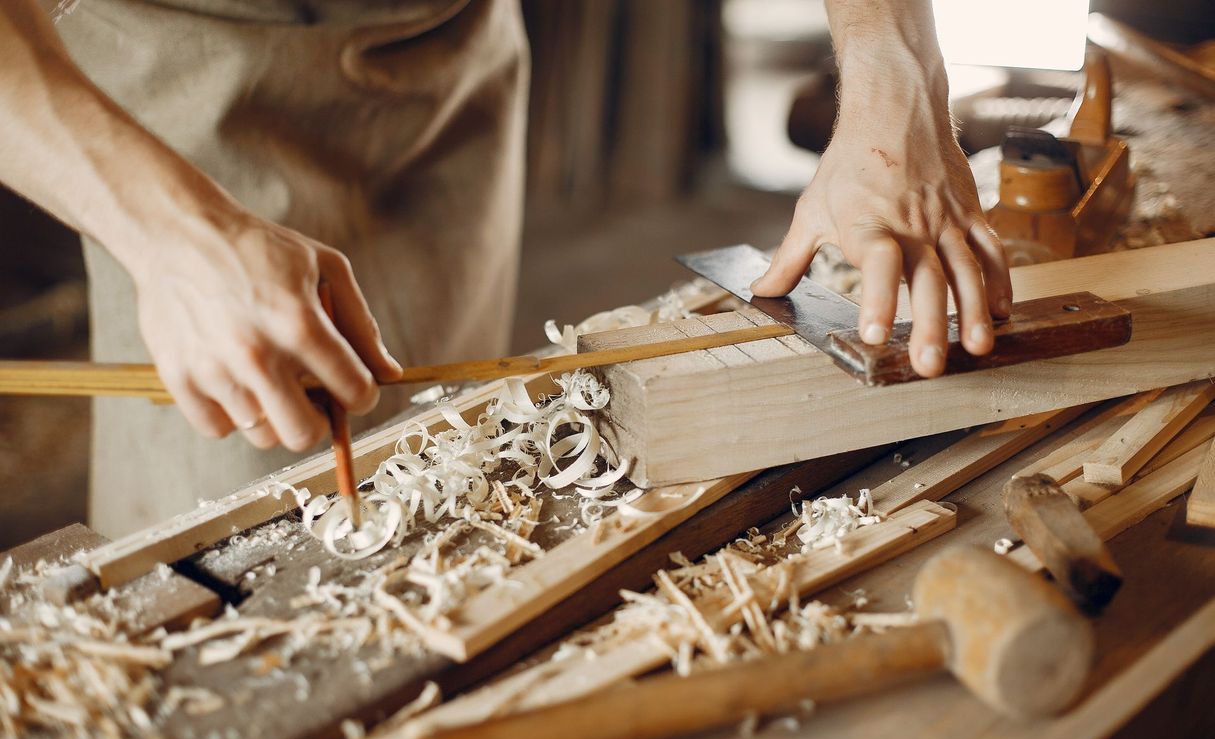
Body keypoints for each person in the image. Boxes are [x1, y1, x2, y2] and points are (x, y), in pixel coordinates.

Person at [0, 0, 1006, 537]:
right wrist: (174, 237)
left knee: (448, 479)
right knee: (242, 528)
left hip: (445, 42)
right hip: (180, 69)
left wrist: (892, 76)